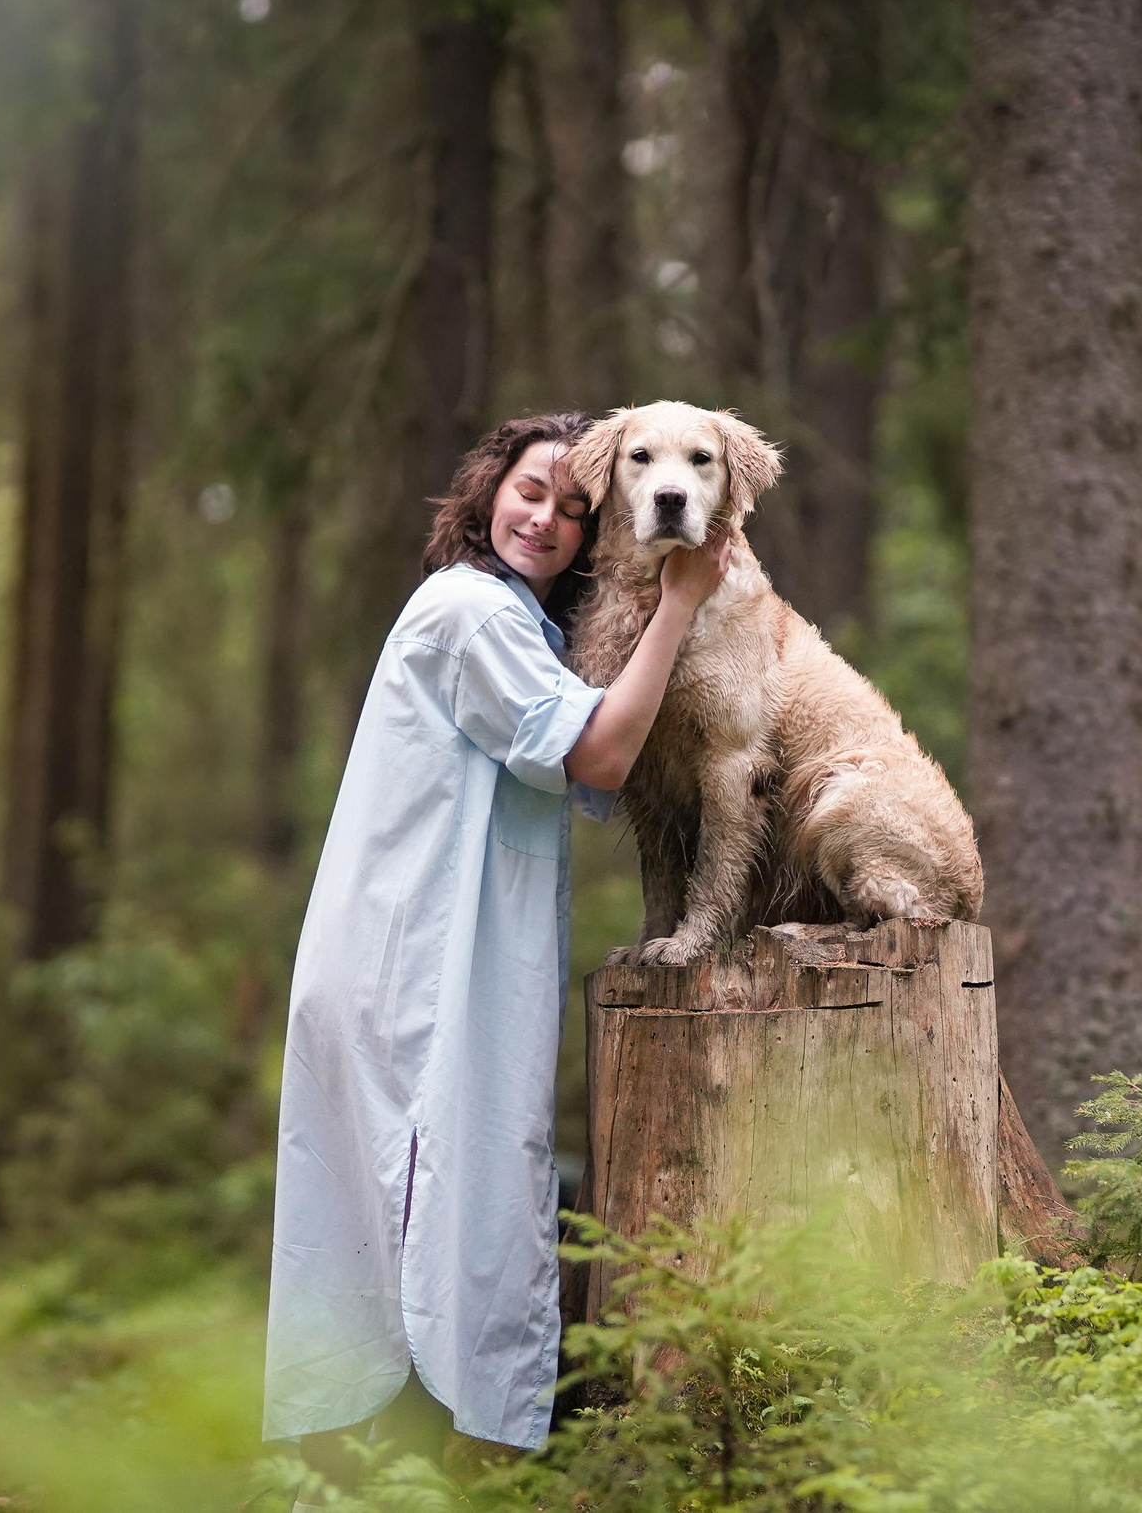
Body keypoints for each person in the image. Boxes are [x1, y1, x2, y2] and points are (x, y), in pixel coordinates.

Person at [262, 411, 725, 1490]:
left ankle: (393, 1462)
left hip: (425, 957)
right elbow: (601, 752)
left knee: (425, 1199)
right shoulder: (469, 613)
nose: (547, 520)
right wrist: (680, 603)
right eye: (530, 492)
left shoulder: (513, 624)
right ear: (484, 497)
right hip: (407, 969)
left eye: (574, 509)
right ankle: (398, 1462)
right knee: (429, 1199)